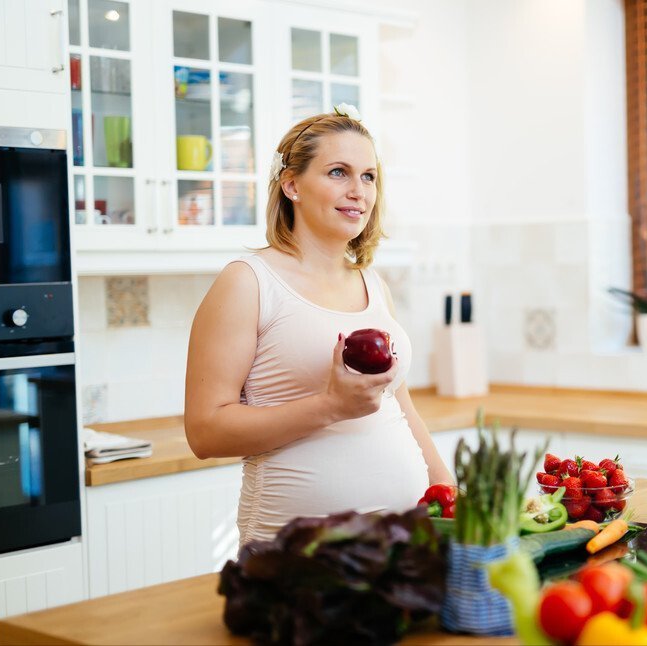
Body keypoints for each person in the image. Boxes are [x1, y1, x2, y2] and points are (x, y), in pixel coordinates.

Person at [184, 105, 453, 545]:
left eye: (368, 176)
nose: (358, 191)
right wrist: (330, 406)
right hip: (296, 556)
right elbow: (204, 432)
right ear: (292, 185)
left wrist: (447, 489)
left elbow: (399, 405)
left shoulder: (372, 284)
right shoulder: (248, 282)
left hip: (400, 545)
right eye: (338, 173)